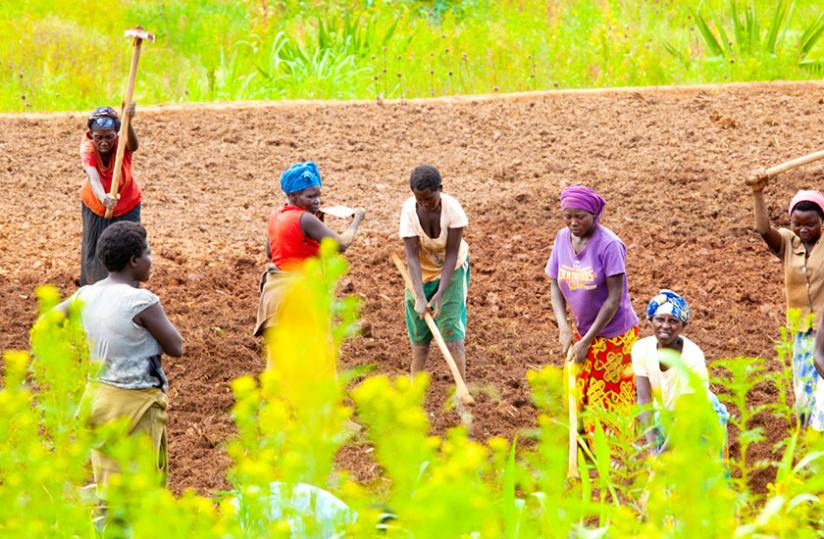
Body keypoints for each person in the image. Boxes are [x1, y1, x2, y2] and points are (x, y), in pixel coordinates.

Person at [58, 221, 182, 497]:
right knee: (140, 488)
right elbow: (176, 347)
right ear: (134, 260)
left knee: (108, 482)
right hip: (135, 404)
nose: (151, 260)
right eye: (148, 253)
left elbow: (48, 320)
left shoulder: (87, 294)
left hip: (99, 398)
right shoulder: (142, 301)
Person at [546, 185, 639, 432]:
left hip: (614, 336)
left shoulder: (609, 245)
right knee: (576, 392)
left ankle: (610, 459)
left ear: (594, 216)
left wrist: (587, 340)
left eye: (580, 216)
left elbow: (614, 298)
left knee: (605, 402)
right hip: (582, 331)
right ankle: (580, 453)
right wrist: (564, 327)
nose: (573, 222)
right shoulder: (562, 239)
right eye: (568, 216)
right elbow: (555, 282)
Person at [254, 161, 366, 338]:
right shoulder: (305, 219)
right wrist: (357, 219)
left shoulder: (276, 215)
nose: (317, 201)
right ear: (293, 196)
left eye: (318, 195)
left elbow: (270, 252)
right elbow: (342, 244)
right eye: (310, 196)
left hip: (275, 293)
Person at [748, 172, 824, 430]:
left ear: (821, 221)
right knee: (804, 396)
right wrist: (758, 192)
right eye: (797, 223)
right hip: (803, 332)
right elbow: (763, 230)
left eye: (810, 224)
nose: (803, 229)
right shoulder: (789, 243)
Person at [632, 290, 729, 459]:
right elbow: (644, 400)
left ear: (683, 326)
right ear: (650, 320)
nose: (665, 326)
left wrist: (662, 456)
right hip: (665, 417)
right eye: (660, 319)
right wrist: (653, 449)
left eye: (673, 321)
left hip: (699, 420)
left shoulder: (692, 357)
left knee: (701, 479)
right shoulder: (641, 350)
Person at [399, 165, 470, 383]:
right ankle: (415, 388)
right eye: (419, 199)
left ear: (440, 189)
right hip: (421, 271)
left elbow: (451, 254)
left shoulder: (453, 211)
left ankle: (461, 388)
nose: (424, 204)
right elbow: (411, 257)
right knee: (419, 335)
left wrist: (440, 294)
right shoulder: (410, 211)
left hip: (452, 269)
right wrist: (420, 296)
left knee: (450, 328)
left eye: (429, 199)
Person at [79, 104, 142, 286]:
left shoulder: (123, 142)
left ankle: (127, 290)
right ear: (91, 135)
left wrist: (128, 121)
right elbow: (92, 176)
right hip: (96, 205)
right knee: (96, 248)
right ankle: (93, 288)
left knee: (129, 247)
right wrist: (103, 197)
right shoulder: (88, 147)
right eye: (99, 137)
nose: (104, 142)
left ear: (117, 134)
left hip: (127, 203)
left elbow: (134, 145)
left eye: (109, 137)